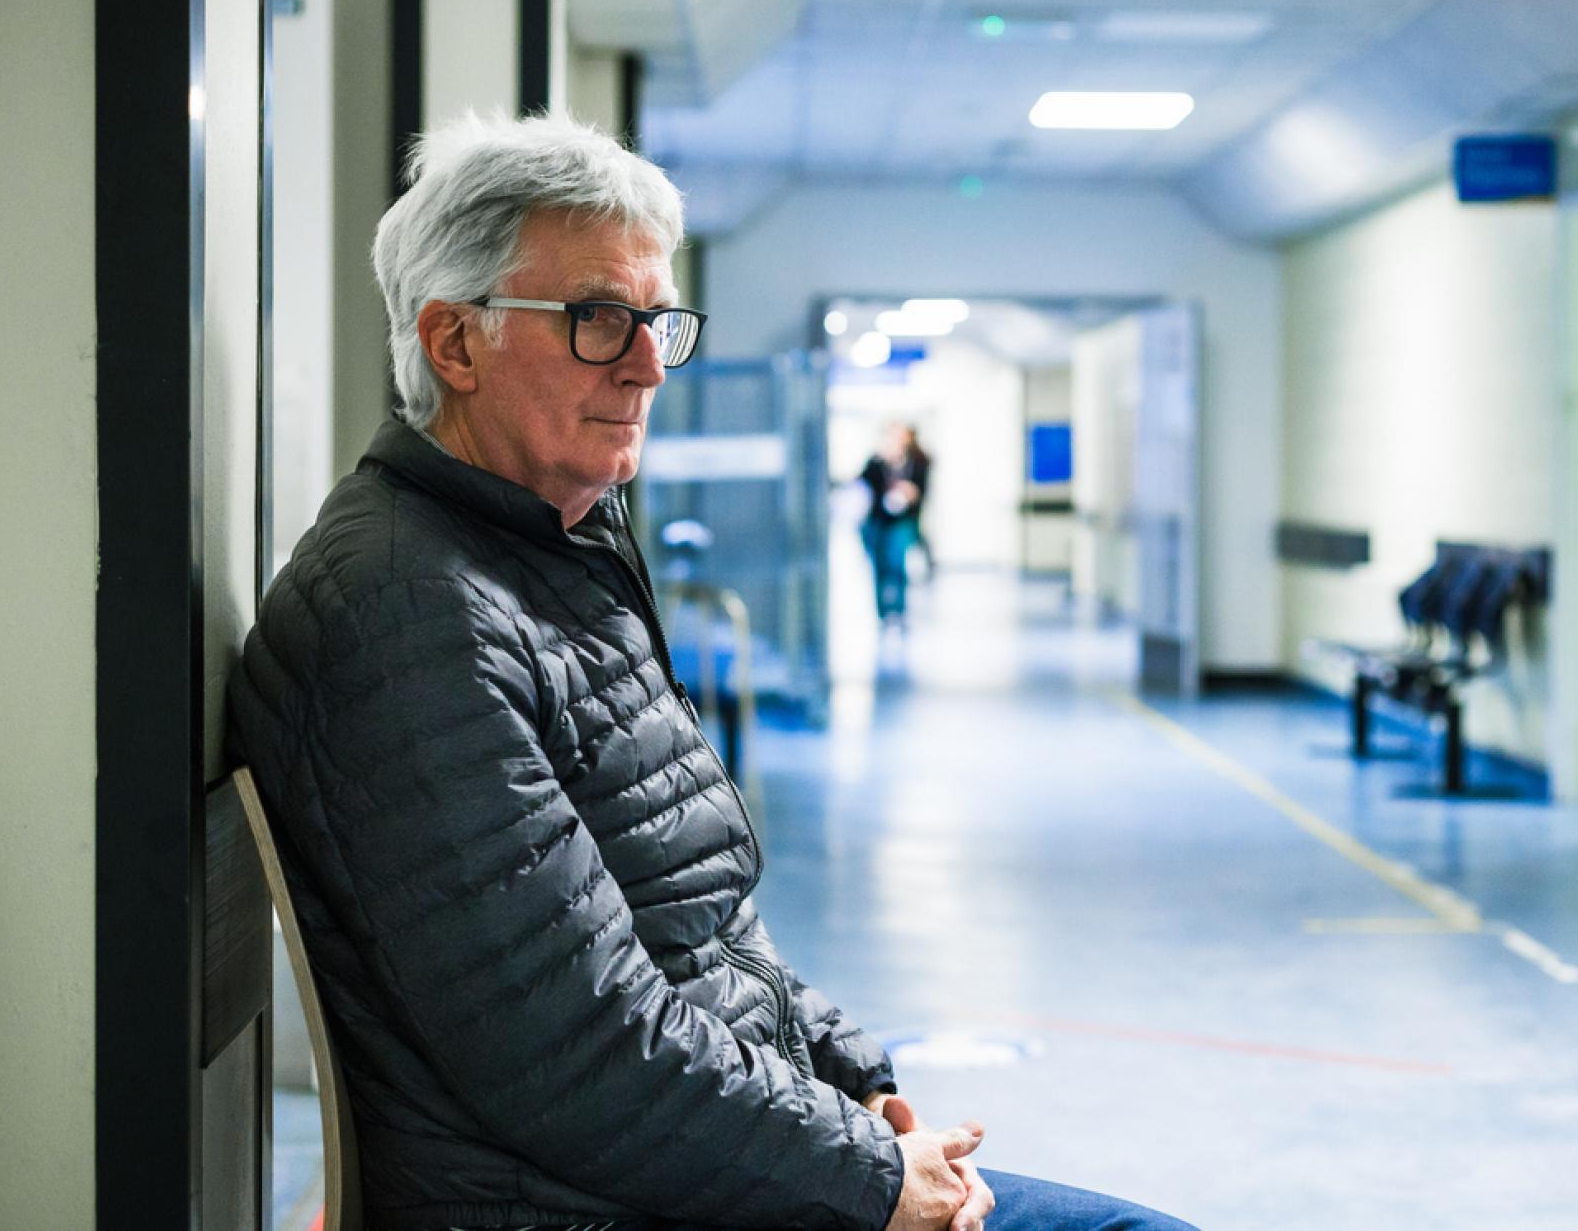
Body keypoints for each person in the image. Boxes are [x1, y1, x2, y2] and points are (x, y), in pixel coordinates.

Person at [230, 112, 1196, 1231]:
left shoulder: (552, 554)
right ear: (454, 344)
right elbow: (575, 1049)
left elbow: (700, 927)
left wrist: (858, 1084)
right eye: (598, 320)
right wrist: (872, 1179)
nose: (646, 364)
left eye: (654, 320)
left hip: (685, 1165)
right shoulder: (408, 614)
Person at [860, 423, 931, 628]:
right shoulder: (876, 462)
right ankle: (882, 610)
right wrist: (880, 459)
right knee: (879, 565)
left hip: (902, 521)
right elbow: (862, 484)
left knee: (897, 562)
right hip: (877, 521)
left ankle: (899, 609)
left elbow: (924, 490)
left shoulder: (918, 462)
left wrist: (911, 492)